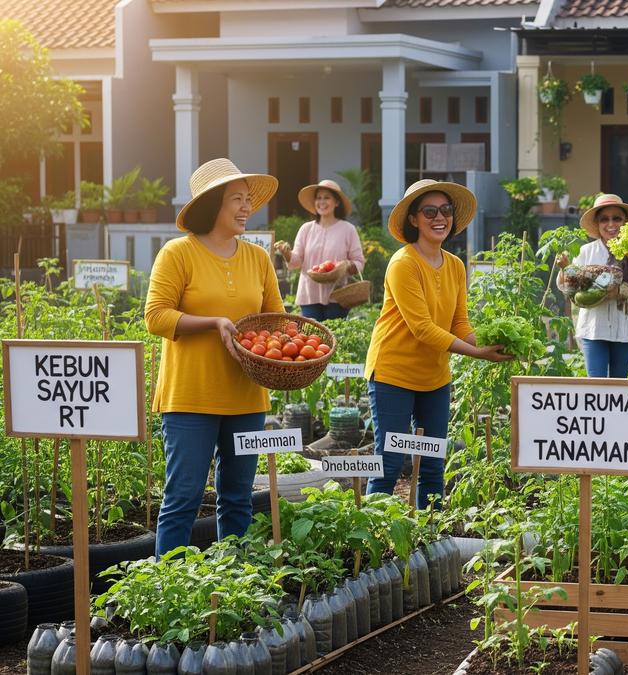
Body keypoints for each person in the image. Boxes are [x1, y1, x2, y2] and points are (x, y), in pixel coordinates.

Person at [144, 158, 283, 557]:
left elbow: (276, 318)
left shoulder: (257, 258)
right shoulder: (178, 253)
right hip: (190, 395)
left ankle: (233, 581)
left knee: (238, 497)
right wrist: (213, 323)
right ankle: (166, 587)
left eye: (247, 200)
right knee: (183, 498)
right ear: (211, 206)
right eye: (235, 200)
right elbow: (155, 316)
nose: (245, 208)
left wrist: (287, 344)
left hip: (245, 396)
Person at [364, 180, 510, 507]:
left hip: (434, 377)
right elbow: (422, 328)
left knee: (432, 462)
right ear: (413, 219)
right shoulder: (404, 263)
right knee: (389, 460)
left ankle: (431, 534)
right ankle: (370, 540)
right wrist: (476, 353)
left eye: (445, 210)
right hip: (393, 373)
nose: (439, 217)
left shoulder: (456, 265)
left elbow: (460, 324)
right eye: (429, 211)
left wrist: (491, 343)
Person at [555, 194, 628, 378]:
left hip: (626, 331)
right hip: (593, 329)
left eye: (617, 218)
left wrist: (622, 293)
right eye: (604, 219)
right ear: (598, 224)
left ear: (626, 222)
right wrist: (565, 268)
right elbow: (566, 287)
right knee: (596, 386)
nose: (611, 224)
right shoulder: (586, 252)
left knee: (619, 386)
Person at [273, 179, 365, 321]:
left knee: (335, 337)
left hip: (338, 296)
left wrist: (346, 265)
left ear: (337, 202)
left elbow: (359, 262)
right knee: (311, 340)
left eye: (327, 197)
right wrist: (287, 253)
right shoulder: (306, 229)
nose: (322, 202)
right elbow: (296, 262)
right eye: (318, 198)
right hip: (309, 295)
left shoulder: (348, 229)